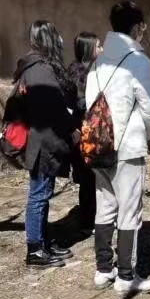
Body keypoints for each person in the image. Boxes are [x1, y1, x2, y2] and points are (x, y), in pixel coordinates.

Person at [85, 1, 150, 293]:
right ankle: (127, 276)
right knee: (130, 211)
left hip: (98, 145)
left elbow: (90, 105)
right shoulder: (138, 60)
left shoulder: (97, 61)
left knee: (105, 207)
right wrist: (147, 134)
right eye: (142, 27)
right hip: (127, 146)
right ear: (137, 27)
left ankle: (104, 269)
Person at [11, 21, 76, 268]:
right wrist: (72, 128)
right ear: (49, 38)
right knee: (38, 196)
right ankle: (35, 250)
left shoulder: (34, 66)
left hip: (42, 140)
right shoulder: (40, 69)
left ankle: (43, 242)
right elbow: (53, 108)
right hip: (43, 143)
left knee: (43, 195)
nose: (60, 40)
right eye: (56, 35)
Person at [67, 32, 101, 233]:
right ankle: (88, 221)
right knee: (89, 179)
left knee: (92, 178)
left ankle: (92, 218)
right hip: (84, 134)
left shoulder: (91, 71)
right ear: (89, 49)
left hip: (89, 132)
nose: (101, 49)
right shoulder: (80, 75)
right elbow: (81, 105)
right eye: (98, 46)